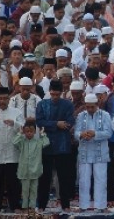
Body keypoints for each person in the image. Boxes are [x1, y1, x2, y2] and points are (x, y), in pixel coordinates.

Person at [36, 79, 76, 212]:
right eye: (52, 94)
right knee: (44, 177)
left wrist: (54, 124)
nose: (54, 97)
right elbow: (39, 121)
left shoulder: (68, 104)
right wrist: (56, 124)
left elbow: (70, 121)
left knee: (64, 176)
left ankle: (65, 205)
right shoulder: (42, 104)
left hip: (63, 145)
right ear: (49, 92)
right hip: (46, 144)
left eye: (57, 95)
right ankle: (41, 205)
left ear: (61, 92)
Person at [74, 93, 113, 212]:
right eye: (88, 107)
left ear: (97, 104)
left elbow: (108, 133)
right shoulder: (81, 115)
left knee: (101, 179)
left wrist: (95, 133)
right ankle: (83, 205)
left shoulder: (105, 115)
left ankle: (101, 206)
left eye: (92, 107)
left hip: (100, 152)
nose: (90, 109)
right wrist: (81, 134)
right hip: (84, 152)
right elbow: (75, 133)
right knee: (83, 180)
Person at [13, 119, 50, 213]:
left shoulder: (38, 142)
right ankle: (25, 207)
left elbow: (46, 142)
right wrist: (20, 133)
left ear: (34, 132)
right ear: (24, 131)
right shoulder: (22, 142)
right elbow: (14, 142)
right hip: (24, 170)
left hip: (35, 170)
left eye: (31, 131)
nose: (29, 133)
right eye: (27, 131)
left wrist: (42, 134)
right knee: (25, 191)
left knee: (34, 190)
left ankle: (32, 207)